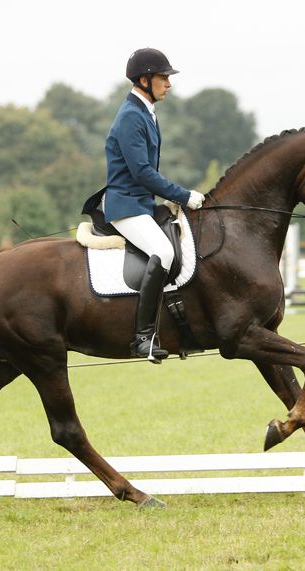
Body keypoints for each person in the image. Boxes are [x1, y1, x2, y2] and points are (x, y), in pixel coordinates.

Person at [81, 48, 206, 364]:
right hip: (126, 207)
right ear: (145, 79)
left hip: (141, 203)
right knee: (162, 252)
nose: (169, 84)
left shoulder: (144, 112)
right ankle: (143, 338)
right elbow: (142, 172)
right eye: (164, 77)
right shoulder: (131, 117)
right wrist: (181, 194)